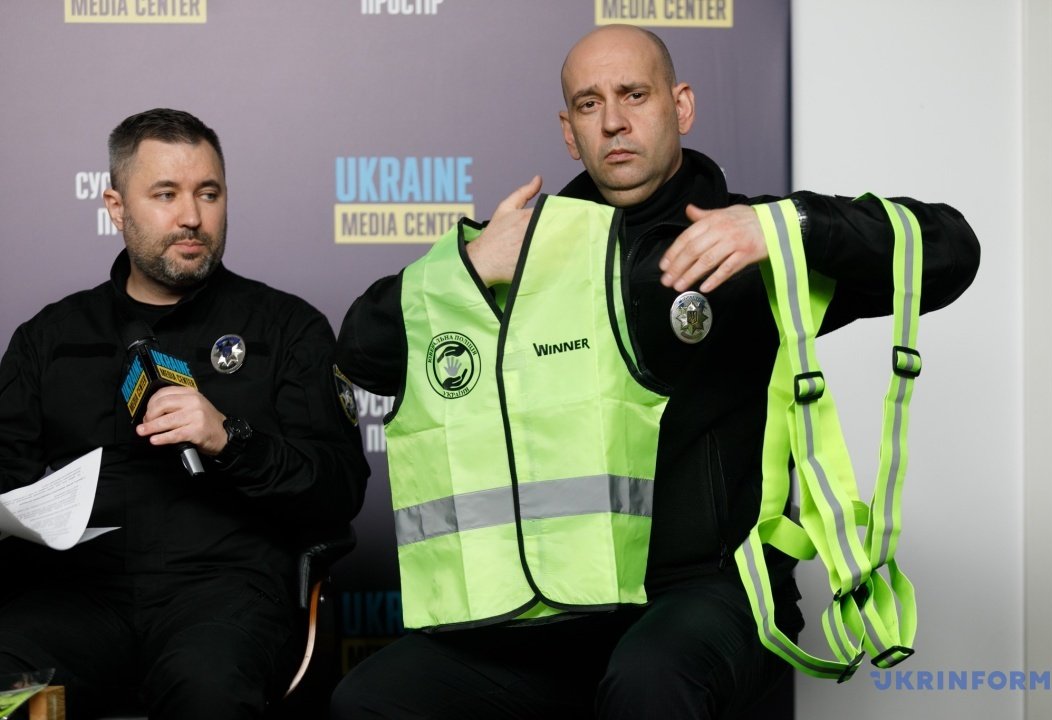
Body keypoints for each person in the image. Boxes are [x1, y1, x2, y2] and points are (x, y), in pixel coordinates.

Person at [331, 25, 979, 719]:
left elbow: (950, 251)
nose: (613, 121)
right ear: (569, 131)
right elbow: (363, 357)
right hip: (562, 603)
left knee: (650, 680)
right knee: (371, 700)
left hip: (712, 591)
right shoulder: (519, 251)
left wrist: (787, 226)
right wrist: (467, 270)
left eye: (634, 95)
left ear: (682, 106)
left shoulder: (747, 241)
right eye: (589, 104)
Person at [0, 108, 369, 720]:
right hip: (77, 600)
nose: (192, 216)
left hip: (223, 599)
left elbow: (340, 489)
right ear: (116, 207)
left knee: (208, 688)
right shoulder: (50, 337)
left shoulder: (288, 327)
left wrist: (231, 438)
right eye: (165, 194)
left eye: (209, 193)